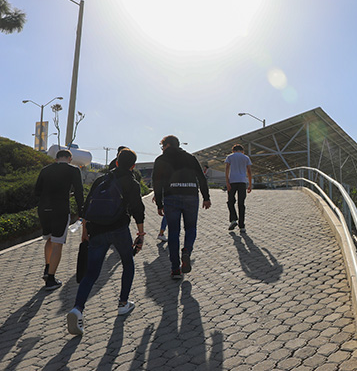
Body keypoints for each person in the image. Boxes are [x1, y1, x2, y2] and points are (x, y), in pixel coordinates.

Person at [66, 148, 146, 336]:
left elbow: (86, 207)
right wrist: (141, 234)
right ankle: (123, 303)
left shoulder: (101, 180)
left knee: (91, 273)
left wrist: (84, 231)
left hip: (96, 230)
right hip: (119, 229)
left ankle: (77, 309)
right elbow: (138, 210)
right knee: (128, 262)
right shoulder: (132, 183)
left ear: (116, 162)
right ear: (133, 166)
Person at [152, 135, 211, 279]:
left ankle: (175, 269)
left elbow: (157, 182)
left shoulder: (161, 160)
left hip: (171, 197)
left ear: (167, 145)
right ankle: (187, 251)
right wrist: (206, 197)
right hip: (191, 195)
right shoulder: (190, 158)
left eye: (162, 146)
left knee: (173, 232)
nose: (162, 149)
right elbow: (201, 178)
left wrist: (159, 203)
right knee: (191, 228)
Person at [34, 148, 84, 290]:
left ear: (56, 159)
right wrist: (82, 212)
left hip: (44, 209)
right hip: (60, 209)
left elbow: (37, 191)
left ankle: (47, 268)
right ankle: (51, 279)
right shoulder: (73, 170)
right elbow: (79, 192)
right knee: (57, 243)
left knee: (49, 239)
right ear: (70, 159)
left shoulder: (45, 170)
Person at [224, 144, 252, 232]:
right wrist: (250, 184)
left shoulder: (230, 157)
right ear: (242, 150)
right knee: (241, 204)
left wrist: (227, 182)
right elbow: (249, 172)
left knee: (230, 201)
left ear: (233, 150)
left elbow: (227, 169)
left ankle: (233, 219)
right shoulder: (246, 158)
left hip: (232, 182)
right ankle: (242, 225)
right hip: (242, 182)